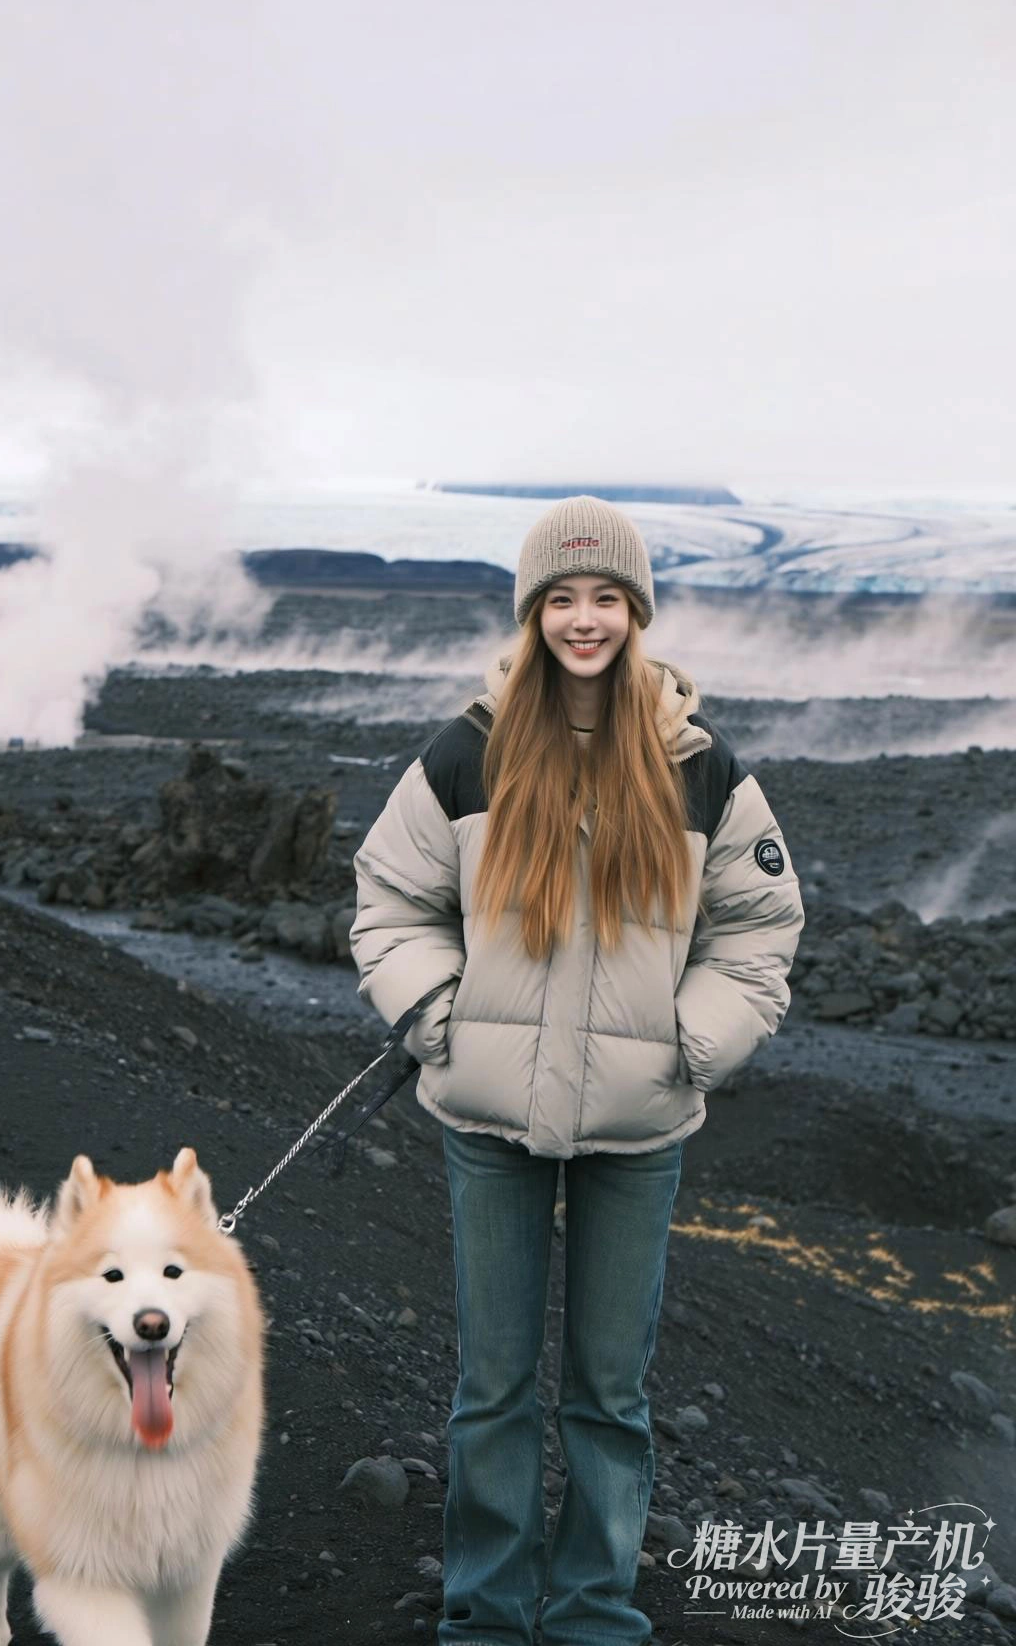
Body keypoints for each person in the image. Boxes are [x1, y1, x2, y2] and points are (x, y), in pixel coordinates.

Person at [348, 495, 805, 1646]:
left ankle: (596, 1610)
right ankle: (488, 1614)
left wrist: (692, 1040)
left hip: (640, 1127)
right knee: (492, 1387)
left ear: (637, 611)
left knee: (612, 1389)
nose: (584, 618)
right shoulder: (470, 749)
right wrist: (436, 1013)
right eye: (562, 596)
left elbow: (760, 922)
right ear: (533, 610)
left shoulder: (699, 762)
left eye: (607, 597)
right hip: (489, 1120)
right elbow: (391, 899)